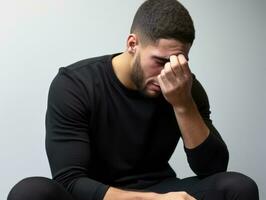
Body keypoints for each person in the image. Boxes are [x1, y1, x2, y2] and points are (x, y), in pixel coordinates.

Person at [8, 0, 259, 200]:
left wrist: (183, 104)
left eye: (177, 62)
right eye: (160, 61)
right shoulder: (75, 84)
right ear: (132, 44)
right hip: (97, 195)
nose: (166, 74)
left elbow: (213, 169)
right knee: (30, 192)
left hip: (158, 186)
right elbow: (69, 180)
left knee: (237, 186)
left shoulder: (184, 88)